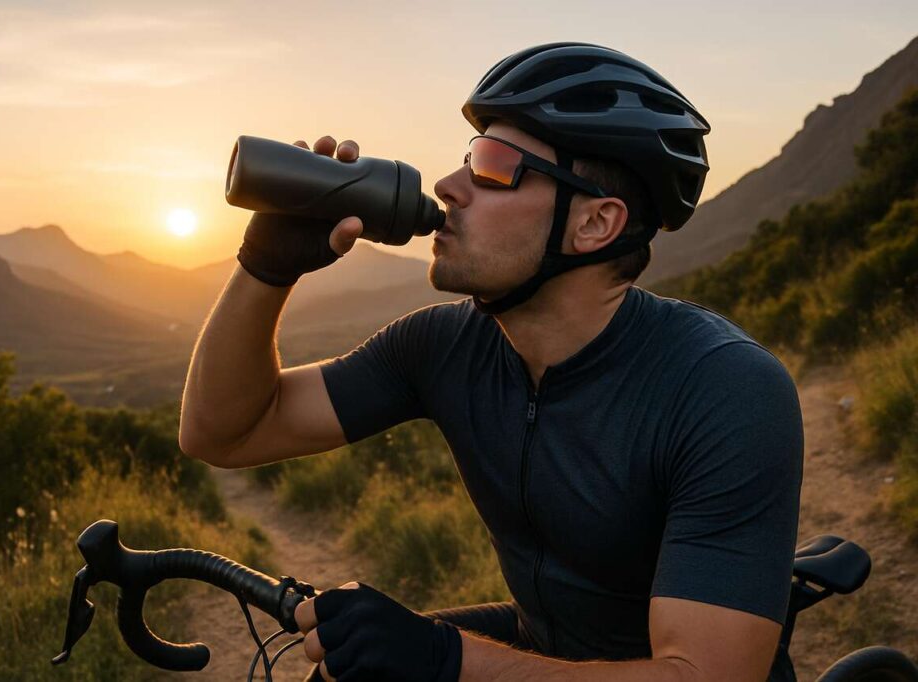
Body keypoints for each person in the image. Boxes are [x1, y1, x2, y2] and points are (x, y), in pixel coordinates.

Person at [179, 43, 804, 682]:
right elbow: (224, 431)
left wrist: (444, 657)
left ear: (594, 224)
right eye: (465, 158)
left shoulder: (724, 387)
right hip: (543, 644)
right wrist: (267, 267)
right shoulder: (442, 346)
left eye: (493, 166)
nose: (449, 187)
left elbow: (702, 675)